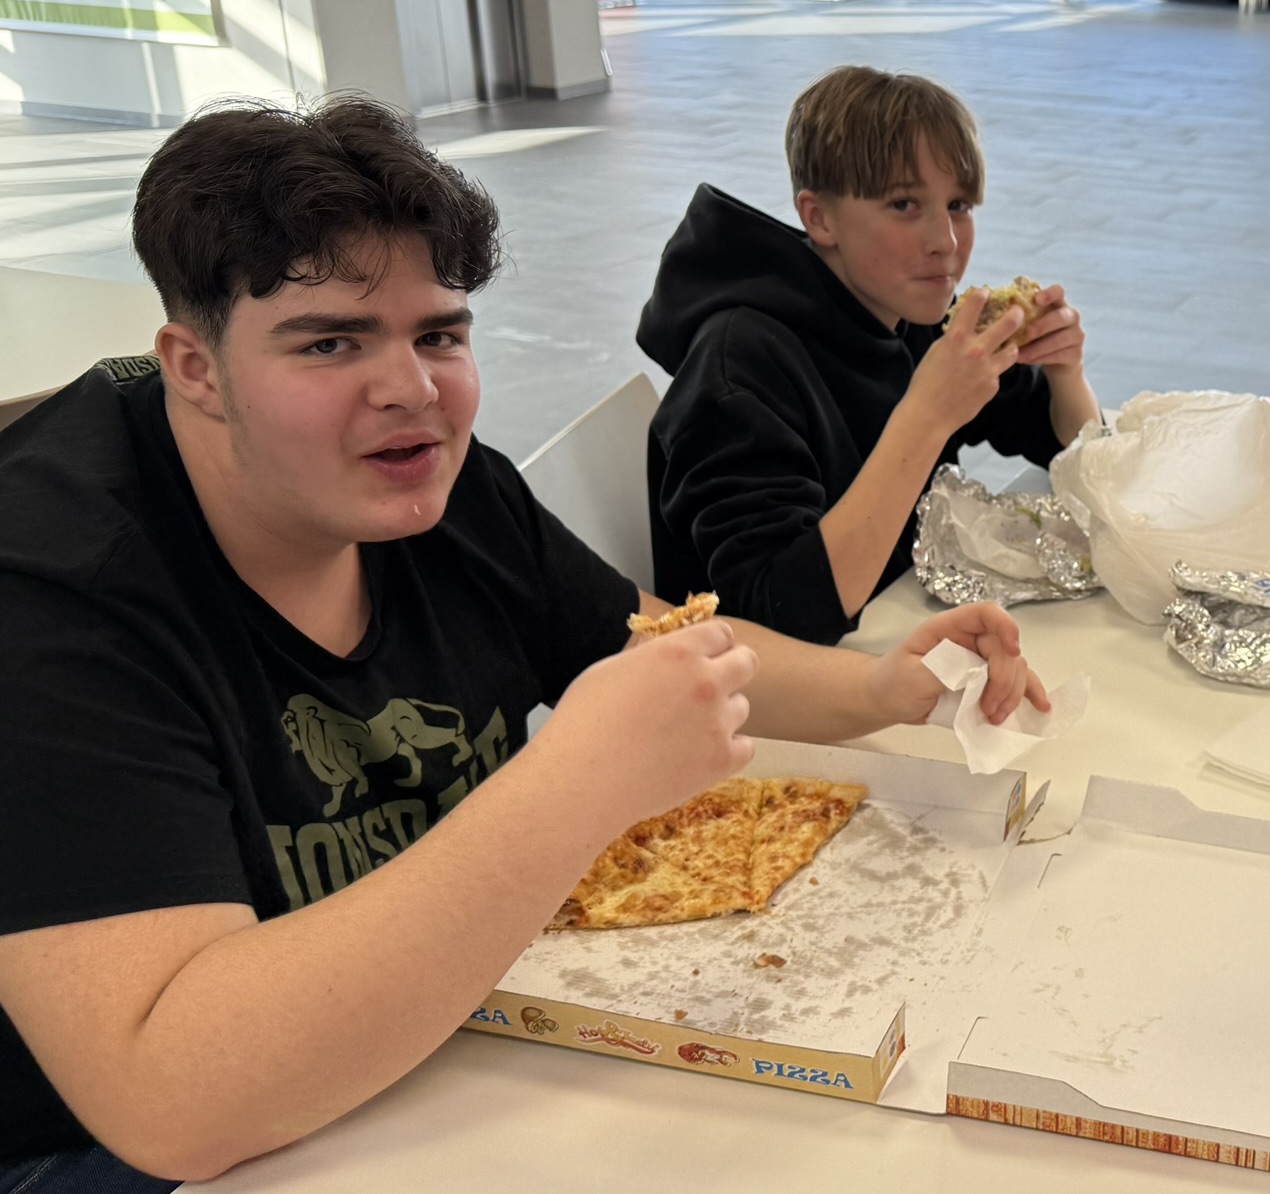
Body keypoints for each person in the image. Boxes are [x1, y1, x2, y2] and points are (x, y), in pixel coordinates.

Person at [0, 96, 1050, 1187]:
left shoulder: (437, 489)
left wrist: (876, 686)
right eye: (329, 342)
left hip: (429, 1039)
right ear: (195, 368)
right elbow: (169, 1100)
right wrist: (573, 785)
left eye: (438, 334)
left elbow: (658, 644)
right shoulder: (53, 592)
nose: (411, 391)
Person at [639, 66, 1099, 644]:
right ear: (819, 217)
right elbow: (781, 615)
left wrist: (1065, 371)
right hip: (763, 682)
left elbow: (1067, 454)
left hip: (897, 633)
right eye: (904, 204)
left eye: (958, 205)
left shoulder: (910, 310)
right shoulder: (737, 370)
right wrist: (926, 416)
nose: (946, 242)